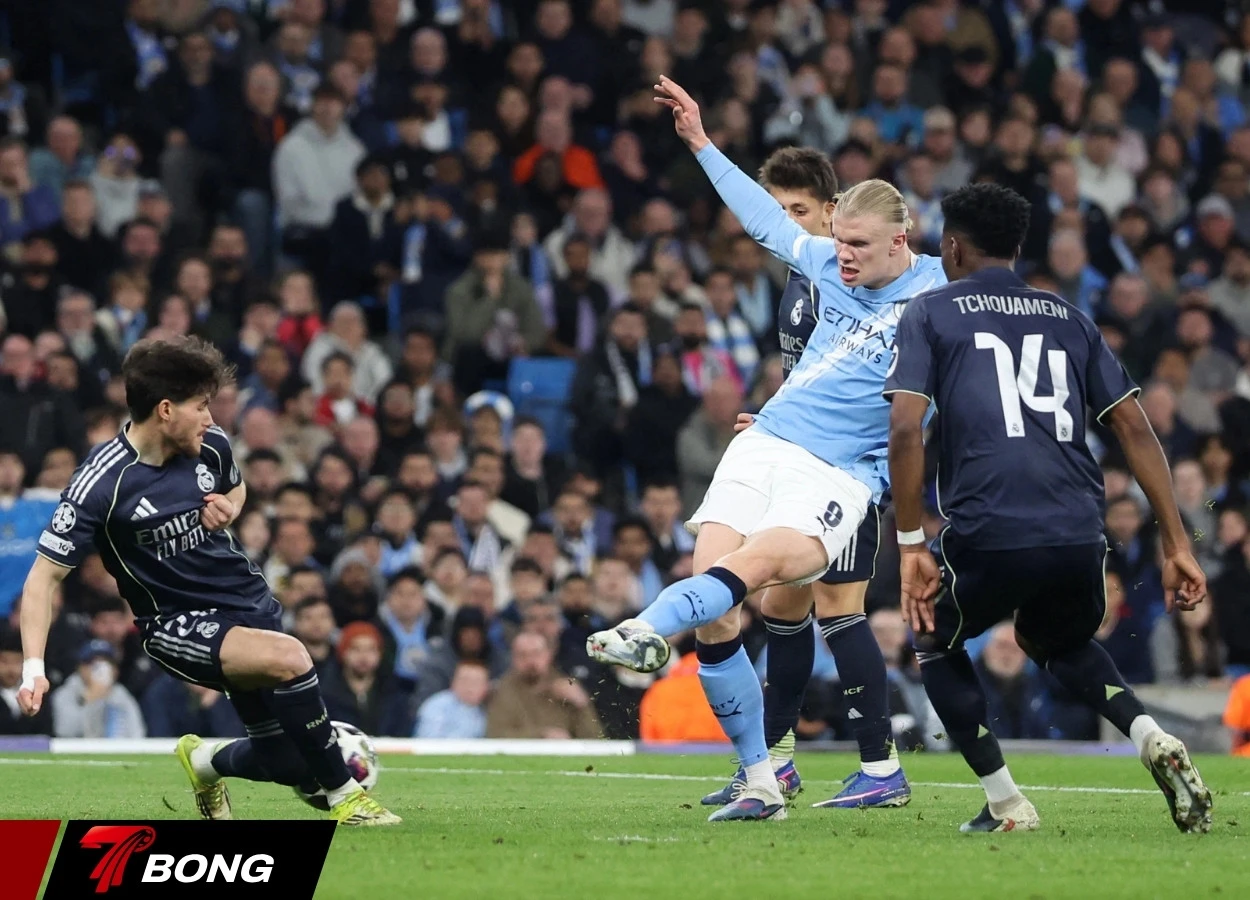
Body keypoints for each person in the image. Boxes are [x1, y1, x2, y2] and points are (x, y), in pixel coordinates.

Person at [588, 75, 944, 822]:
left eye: (856, 246)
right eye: (836, 242)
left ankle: (649, 627)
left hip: (841, 472)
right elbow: (757, 220)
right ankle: (760, 781)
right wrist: (700, 143)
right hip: (766, 440)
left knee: (761, 577)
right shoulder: (817, 263)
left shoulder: (941, 298)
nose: (839, 257)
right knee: (718, 605)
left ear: (900, 242)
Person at [885, 183, 1212, 835]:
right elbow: (1136, 430)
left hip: (990, 524)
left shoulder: (931, 313)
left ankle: (1006, 802)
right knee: (1054, 637)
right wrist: (1177, 544)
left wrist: (912, 542)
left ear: (951, 246)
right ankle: (1148, 734)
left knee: (933, 637)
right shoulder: (1069, 317)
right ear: (1017, 247)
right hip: (1077, 528)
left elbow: (903, 431)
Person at [14, 336, 399, 826]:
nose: (212, 418)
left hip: (249, 606)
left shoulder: (209, 445)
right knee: (292, 658)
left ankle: (203, 761)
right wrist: (33, 667)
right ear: (166, 409)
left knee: (283, 762)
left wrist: (230, 510)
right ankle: (347, 797)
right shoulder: (100, 485)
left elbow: (235, 488)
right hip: (176, 624)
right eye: (202, 405)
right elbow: (42, 579)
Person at [699, 146, 905, 812]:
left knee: (839, 609)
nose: (788, 222)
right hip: (792, 455)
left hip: (842, 469)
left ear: (832, 210)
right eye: (780, 207)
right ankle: (777, 763)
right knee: (781, 608)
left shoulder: (855, 281)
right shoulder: (802, 280)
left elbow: (874, 381)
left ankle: (880, 764)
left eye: (799, 210)